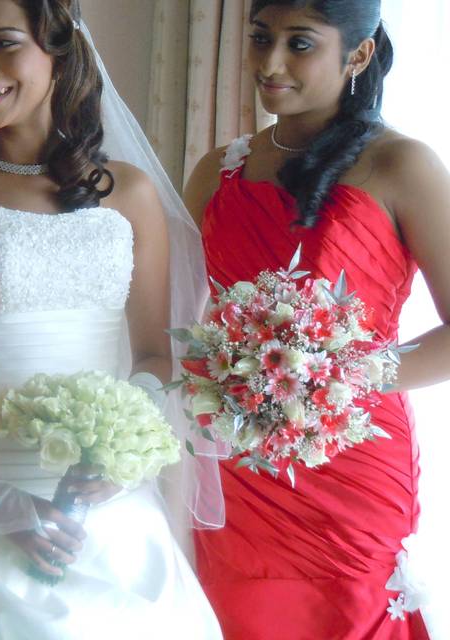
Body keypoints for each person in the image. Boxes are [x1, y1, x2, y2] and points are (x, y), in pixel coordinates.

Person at [0, 0, 221, 638]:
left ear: (58, 50)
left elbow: (154, 358)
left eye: (3, 43)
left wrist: (121, 459)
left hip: (107, 518)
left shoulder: (128, 194)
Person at [184, 1, 449, 637]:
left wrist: (337, 378)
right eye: (259, 38)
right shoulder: (216, 171)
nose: (269, 63)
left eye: (299, 44)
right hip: (236, 470)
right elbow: (180, 315)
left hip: (351, 462)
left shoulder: (402, 165)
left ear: (357, 54)